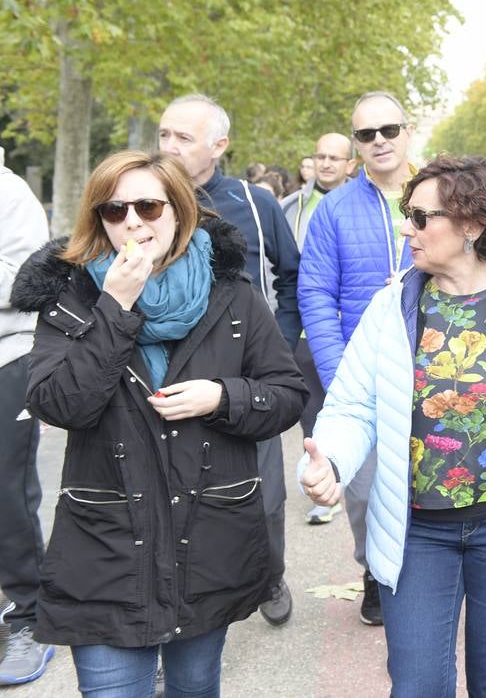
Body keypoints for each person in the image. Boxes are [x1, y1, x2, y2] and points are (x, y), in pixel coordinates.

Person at [11, 150, 304, 696]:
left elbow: (287, 396)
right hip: (105, 555)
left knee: (195, 686)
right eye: (113, 209)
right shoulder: (72, 297)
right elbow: (60, 404)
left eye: (147, 205)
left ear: (179, 212)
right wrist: (116, 306)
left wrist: (222, 397)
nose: (132, 222)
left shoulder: (233, 294)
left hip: (208, 546)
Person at [300, 155, 486, 698]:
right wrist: (329, 460)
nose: (408, 227)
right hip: (417, 531)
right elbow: (352, 406)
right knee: (417, 685)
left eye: (423, 217)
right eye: (408, 213)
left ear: (473, 226)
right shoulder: (393, 307)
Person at [158, 93, 300, 627]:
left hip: (245, 380)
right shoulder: (141, 198)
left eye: (184, 138)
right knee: (172, 497)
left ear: (219, 146)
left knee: (261, 495)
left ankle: (269, 574)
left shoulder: (254, 203)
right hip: (162, 375)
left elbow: (292, 273)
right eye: (164, 135)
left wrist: (277, 343)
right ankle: (173, 605)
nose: (169, 147)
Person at [297, 91, 416, 626]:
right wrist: (337, 372)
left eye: (388, 129)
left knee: (435, 482)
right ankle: (374, 570)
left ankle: (425, 573)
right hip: (363, 376)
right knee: (365, 491)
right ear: (355, 146)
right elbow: (315, 295)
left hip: (438, 368)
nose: (379, 142)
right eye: (366, 135)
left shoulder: (440, 193)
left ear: (406, 131)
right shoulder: (334, 209)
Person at [0, 147, 53, 687]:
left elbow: (24, 282)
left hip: (6, 361)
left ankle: (30, 615)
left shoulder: (10, 194)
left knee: (7, 496)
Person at [281, 132, 353, 522]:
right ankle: (326, 488)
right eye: (320, 156)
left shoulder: (361, 205)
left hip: (351, 328)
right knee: (313, 411)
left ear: (349, 165)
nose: (325, 163)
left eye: (334, 158)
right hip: (307, 329)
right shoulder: (292, 205)